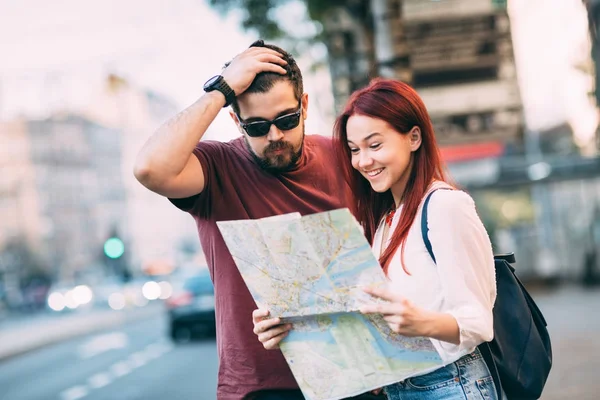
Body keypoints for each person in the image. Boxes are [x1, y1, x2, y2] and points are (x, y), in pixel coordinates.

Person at [133, 40, 363, 400]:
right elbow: (150, 168)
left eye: (286, 120)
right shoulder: (216, 169)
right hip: (262, 389)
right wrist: (221, 89)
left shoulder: (344, 156)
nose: (275, 137)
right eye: (257, 126)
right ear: (235, 121)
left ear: (304, 106)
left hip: (358, 377)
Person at [253, 78, 499, 399]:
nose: (363, 161)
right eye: (354, 150)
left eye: (375, 145)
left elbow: (478, 322)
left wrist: (421, 323)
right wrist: (290, 326)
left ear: (413, 138)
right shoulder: (384, 221)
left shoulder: (445, 206)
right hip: (399, 388)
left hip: (451, 384)